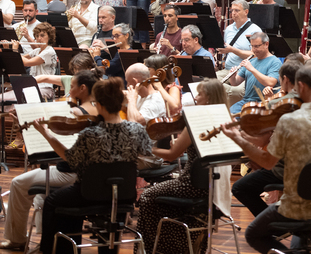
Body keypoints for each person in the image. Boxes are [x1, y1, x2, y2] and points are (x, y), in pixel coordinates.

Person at [222, 65, 311, 254]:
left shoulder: (290, 120)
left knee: (253, 233)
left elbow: (268, 162)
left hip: (298, 207)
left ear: (300, 86)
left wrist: (237, 138)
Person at [36, 77, 153, 254]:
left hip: (88, 194)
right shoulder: (137, 130)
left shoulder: (90, 134)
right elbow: (147, 156)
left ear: (99, 104)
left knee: (52, 201)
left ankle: (52, 250)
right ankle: (109, 246)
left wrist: (46, 134)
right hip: (124, 195)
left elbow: (69, 158)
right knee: (111, 199)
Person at [0, 70, 100, 252]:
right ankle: (43, 236)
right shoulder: (100, 108)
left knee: (17, 183)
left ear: (83, 88)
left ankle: (17, 240)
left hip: (70, 172)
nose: (69, 90)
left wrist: (28, 127)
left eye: (73, 86)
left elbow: (57, 146)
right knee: (40, 193)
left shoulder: (75, 112)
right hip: (92, 174)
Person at [136, 79, 231, 253]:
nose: (197, 97)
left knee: (147, 196)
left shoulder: (197, 121)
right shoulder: (226, 119)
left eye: (200, 94)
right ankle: (178, 243)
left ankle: (151, 249)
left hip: (191, 184)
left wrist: (147, 149)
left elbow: (173, 155)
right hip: (214, 186)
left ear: (208, 98)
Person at [230, 59, 302, 218]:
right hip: (308, 166)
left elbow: (262, 141)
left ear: (285, 80)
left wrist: (239, 134)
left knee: (239, 188)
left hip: (285, 167)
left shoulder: (279, 104)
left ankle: (270, 223)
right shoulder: (309, 102)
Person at [216, 0, 262, 99]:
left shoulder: (255, 30)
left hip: (246, 72)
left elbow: (256, 55)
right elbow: (225, 49)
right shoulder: (228, 29)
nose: (233, 13)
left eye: (237, 10)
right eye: (232, 11)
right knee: (209, 83)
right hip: (228, 70)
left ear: (246, 12)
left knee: (233, 91)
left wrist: (233, 50)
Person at [228, 32, 281, 113]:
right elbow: (235, 83)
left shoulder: (275, 62)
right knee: (228, 114)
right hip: (246, 101)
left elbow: (270, 82)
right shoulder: (251, 61)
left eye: (256, 46)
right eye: (252, 46)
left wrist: (252, 69)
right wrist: (232, 76)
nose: (253, 50)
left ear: (266, 44)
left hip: (263, 102)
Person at [12, 22, 57, 101]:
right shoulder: (37, 50)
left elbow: (27, 62)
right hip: (32, 88)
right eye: (37, 36)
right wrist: (8, 48)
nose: (39, 38)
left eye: (42, 35)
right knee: (4, 97)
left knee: (17, 98)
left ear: (49, 37)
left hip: (45, 88)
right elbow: (18, 60)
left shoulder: (49, 52)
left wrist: (15, 50)